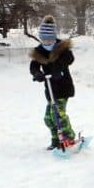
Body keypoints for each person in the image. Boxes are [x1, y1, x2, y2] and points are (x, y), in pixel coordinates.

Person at [28, 16, 78, 150]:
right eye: (44, 39)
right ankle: (56, 140)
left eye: (49, 39)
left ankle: (69, 136)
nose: (47, 42)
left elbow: (69, 59)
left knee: (59, 115)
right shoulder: (40, 51)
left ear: (54, 37)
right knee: (49, 118)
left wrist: (58, 69)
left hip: (63, 87)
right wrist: (37, 74)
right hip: (50, 89)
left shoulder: (61, 48)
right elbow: (33, 66)